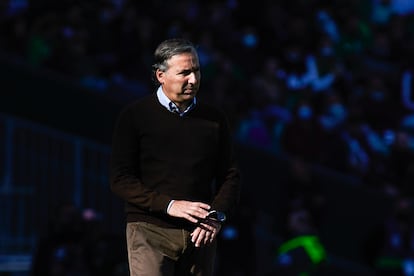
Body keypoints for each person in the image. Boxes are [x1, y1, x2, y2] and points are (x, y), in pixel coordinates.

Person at [109, 37, 241, 276]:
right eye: (184, 73)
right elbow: (120, 179)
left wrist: (216, 216)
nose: (193, 79)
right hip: (149, 229)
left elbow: (230, 175)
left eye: (197, 71)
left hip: (201, 233)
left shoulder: (215, 119)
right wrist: (169, 205)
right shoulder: (135, 116)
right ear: (161, 75)